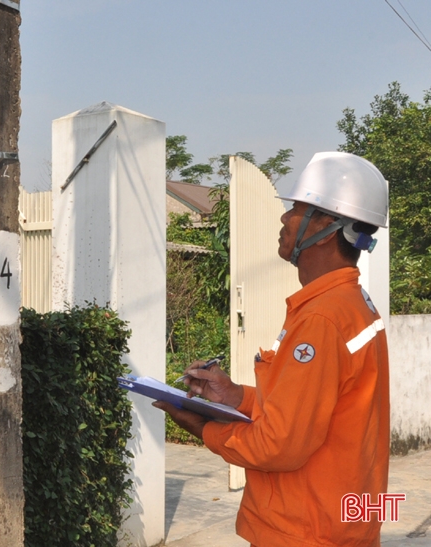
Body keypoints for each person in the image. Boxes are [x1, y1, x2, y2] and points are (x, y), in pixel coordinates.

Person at [156, 152, 390, 547]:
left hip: (306, 530)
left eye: (297, 209)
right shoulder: (352, 304)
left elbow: (280, 446)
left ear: (327, 227)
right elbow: (307, 410)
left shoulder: (322, 319)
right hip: (344, 524)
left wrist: (201, 426)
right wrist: (234, 396)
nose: (285, 218)